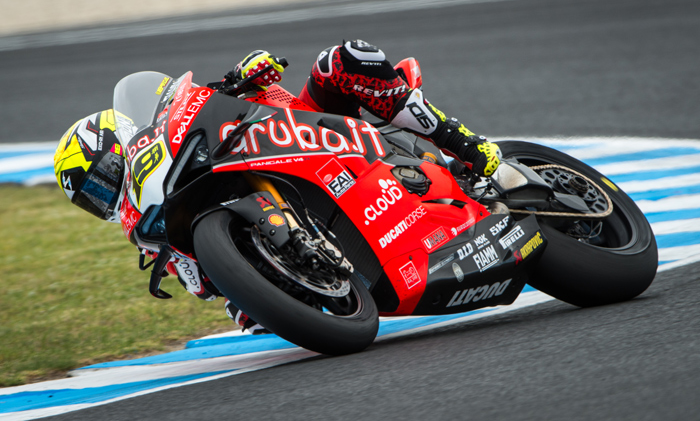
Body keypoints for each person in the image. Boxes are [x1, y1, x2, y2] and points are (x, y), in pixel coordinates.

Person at [53, 40, 500, 334]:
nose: (103, 196)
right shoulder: (153, 235)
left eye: (102, 179)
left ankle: (463, 144)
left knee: (344, 59)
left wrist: (245, 74)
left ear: (121, 144)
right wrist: (246, 302)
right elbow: (208, 284)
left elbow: (231, 93)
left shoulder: (185, 122)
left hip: (319, 129)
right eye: (91, 199)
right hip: (326, 224)